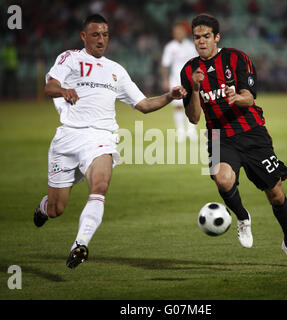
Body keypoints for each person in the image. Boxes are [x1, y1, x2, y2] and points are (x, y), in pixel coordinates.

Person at [34, 14, 187, 269]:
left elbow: (144, 105)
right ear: (84, 36)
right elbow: (50, 87)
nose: (101, 39)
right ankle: (43, 208)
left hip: (101, 138)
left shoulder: (116, 70)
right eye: (95, 34)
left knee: (100, 184)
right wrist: (64, 90)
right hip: (69, 137)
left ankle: (79, 244)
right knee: (55, 209)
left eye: (105, 34)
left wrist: (169, 96)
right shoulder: (70, 58)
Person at [180, 14, 287, 268]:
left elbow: (250, 97)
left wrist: (236, 97)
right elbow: (193, 118)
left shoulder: (236, 58)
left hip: (252, 133)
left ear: (216, 37)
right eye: (196, 37)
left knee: (276, 194)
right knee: (222, 179)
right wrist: (194, 89)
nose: (201, 41)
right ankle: (243, 217)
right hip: (218, 135)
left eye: (206, 36)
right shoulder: (189, 71)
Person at [161, 21, 198, 142]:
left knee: (191, 105)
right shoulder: (170, 47)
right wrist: (165, 79)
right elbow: (165, 65)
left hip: (189, 81)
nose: (178, 34)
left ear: (185, 32)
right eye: (176, 32)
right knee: (178, 106)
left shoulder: (191, 46)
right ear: (173, 34)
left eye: (180, 31)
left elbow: (197, 63)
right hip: (175, 80)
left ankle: (191, 131)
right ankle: (181, 131)